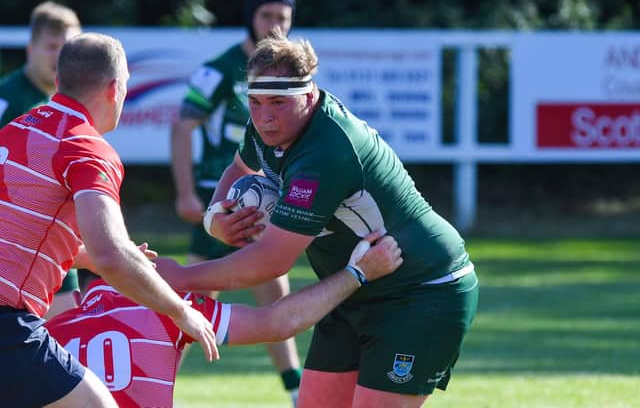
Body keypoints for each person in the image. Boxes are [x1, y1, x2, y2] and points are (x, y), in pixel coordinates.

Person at [158, 30, 480, 408]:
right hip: (352, 287)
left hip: (421, 289)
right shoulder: (267, 127)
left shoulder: (325, 152)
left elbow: (270, 262)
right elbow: (238, 168)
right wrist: (216, 217)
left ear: (308, 96)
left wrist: (179, 278)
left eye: (278, 102)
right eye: (256, 102)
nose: (264, 117)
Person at [0, 32, 218, 408]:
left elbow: (29, 225)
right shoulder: (86, 148)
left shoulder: (17, 129)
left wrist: (90, 254)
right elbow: (111, 256)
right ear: (115, 89)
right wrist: (181, 311)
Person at [46, 231, 402, 408]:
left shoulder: (47, 331)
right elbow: (277, 323)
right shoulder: (169, 310)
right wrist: (357, 273)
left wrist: (89, 258)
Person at [170, 0, 302, 401]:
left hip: (267, 206)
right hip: (221, 202)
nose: (276, 25)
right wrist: (187, 193)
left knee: (275, 302)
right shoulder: (219, 70)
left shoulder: (292, 75)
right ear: (250, 17)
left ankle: (296, 391)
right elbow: (181, 126)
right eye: (267, 16)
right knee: (187, 305)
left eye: (283, 17)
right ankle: (152, 384)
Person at [0, 0, 83, 319]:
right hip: (17, 253)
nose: (60, 57)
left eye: (69, 48)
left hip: (56, 246)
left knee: (67, 346)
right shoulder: (9, 101)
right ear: (29, 49)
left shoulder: (68, 103)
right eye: (51, 46)